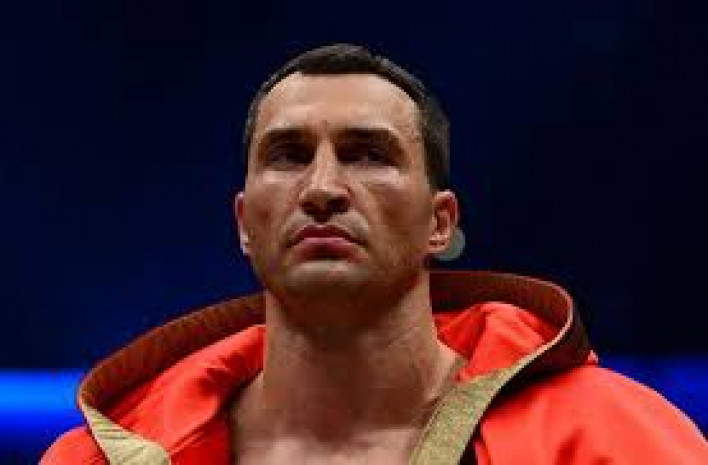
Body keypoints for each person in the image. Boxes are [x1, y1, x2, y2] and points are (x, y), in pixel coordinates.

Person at [42, 44, 707, 464]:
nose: (322, 188)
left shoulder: (612, 438)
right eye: (288, 155)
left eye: (367, 154)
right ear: (245, 223)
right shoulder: (93, 461)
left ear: (439, 223)